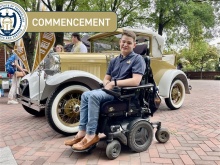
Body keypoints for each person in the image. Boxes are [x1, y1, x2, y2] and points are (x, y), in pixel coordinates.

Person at [64, 30, 146, 150]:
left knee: (93, 96)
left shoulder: (138, 59)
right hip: (110, 91)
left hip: (123, 94)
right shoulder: (114, 60)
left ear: (134, 45)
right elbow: (106, 78)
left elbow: (136, 81)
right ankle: (82, 132)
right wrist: (107, 82)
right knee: (85, 95)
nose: (125, 45)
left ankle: (91, 135)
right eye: (123, 42)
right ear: (120, 42)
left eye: (129, 43)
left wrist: (114, 83)